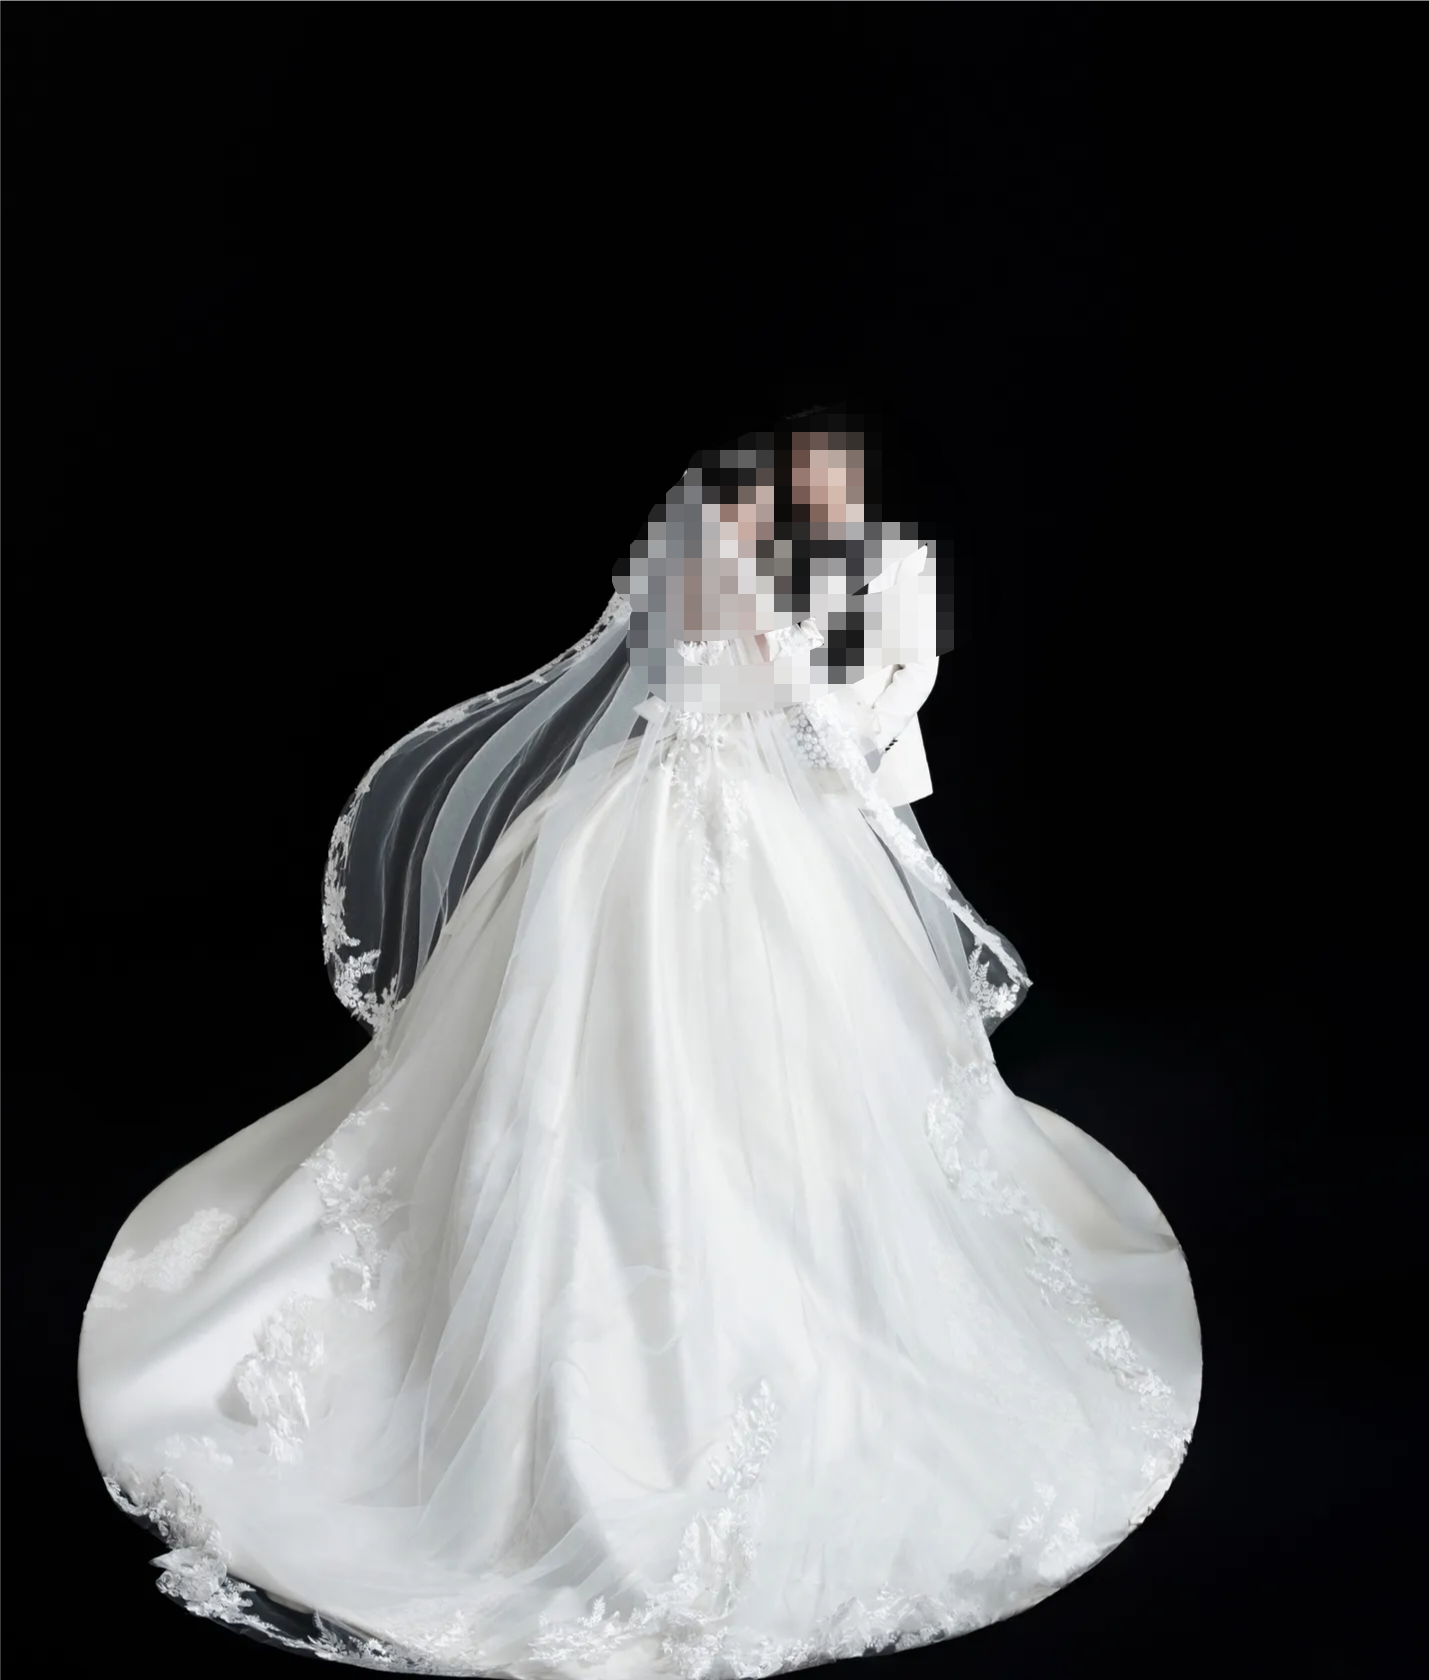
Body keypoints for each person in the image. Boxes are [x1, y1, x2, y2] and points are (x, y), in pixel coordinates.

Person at [78, 418, 1200, 1678]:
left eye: (836, 477)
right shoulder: (715, 536)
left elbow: (896, 686)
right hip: (666, 808)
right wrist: (770, 639)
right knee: (599, 1037)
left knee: (801, 1055)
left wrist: (850, 734)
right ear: (778, 479)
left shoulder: (892, 563)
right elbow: (671, 664)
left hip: (785, 815)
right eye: (804, 473)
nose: (817, 489)